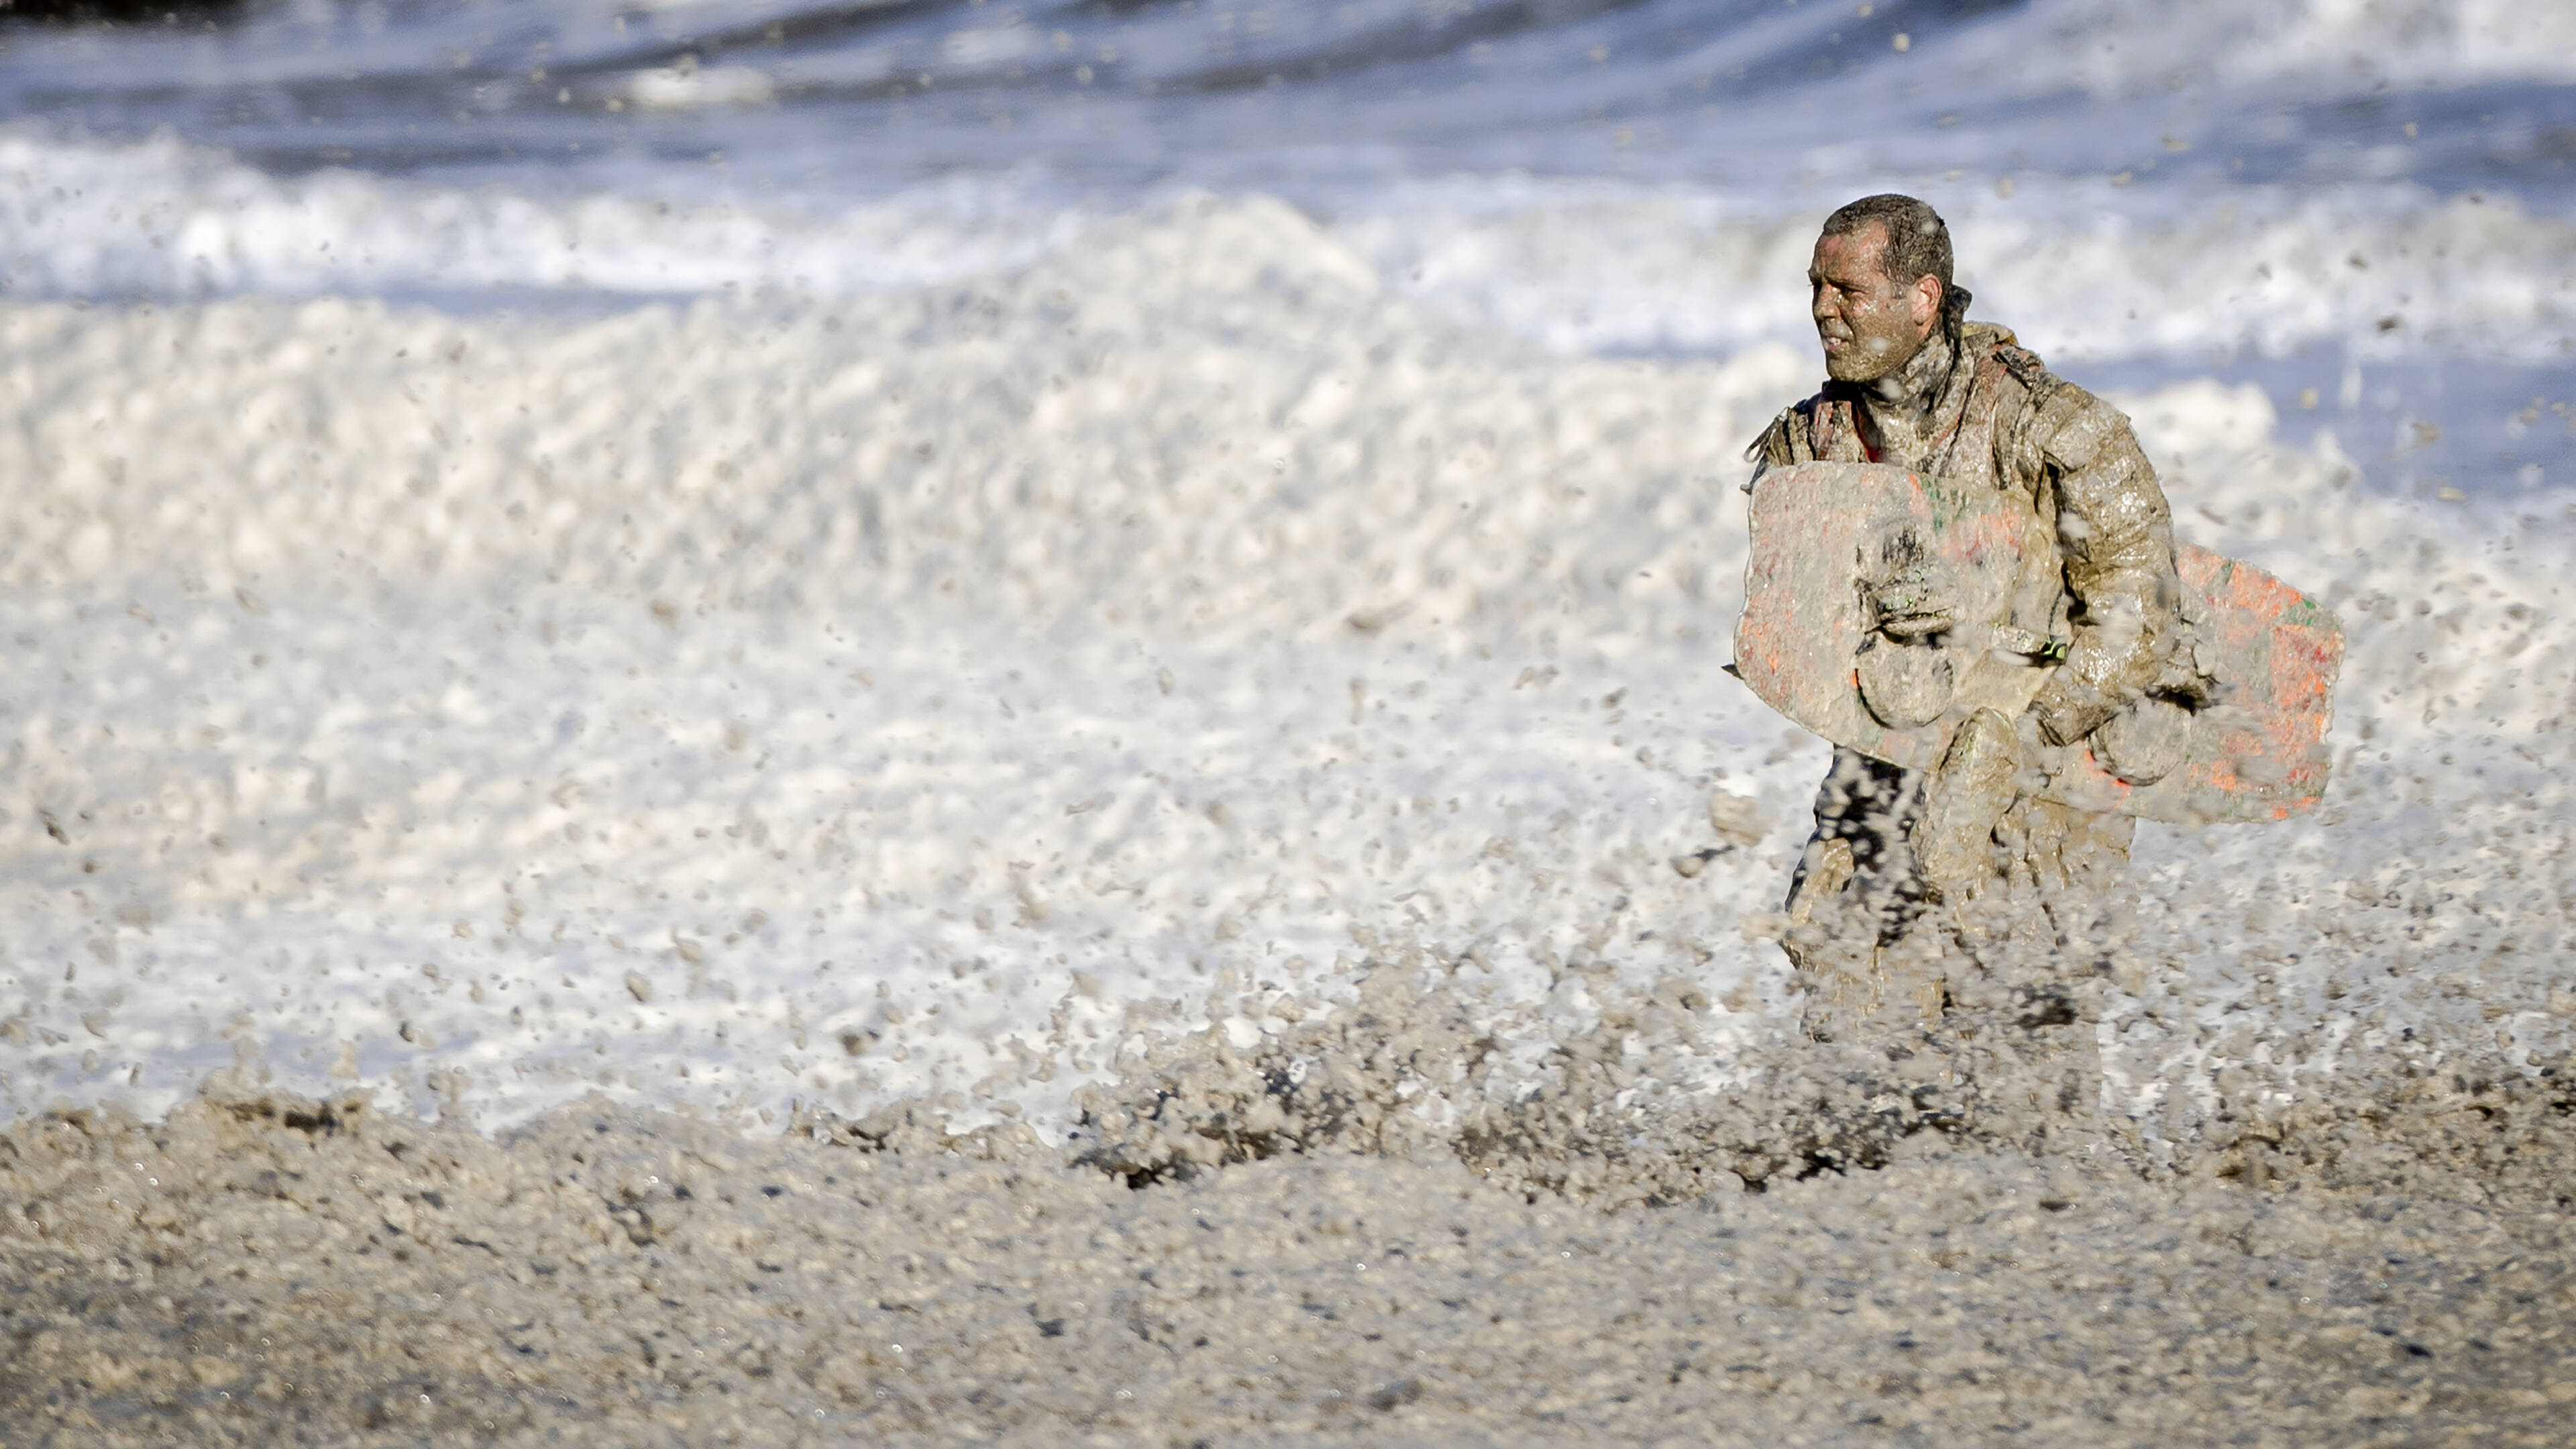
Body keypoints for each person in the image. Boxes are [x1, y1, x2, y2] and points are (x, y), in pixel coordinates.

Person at [1747, 194, 2198, 1046]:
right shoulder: (1810, 446)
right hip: (1887, 765)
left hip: (2039, 782)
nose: (1821, 309)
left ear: (1922, 299)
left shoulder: (2052, 427)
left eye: (1845, 288)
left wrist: (2023, 737)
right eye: (1815, 287)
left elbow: (2143, 607)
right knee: (1852, 1034)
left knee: (2020, 1054)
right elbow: (1797, 629)